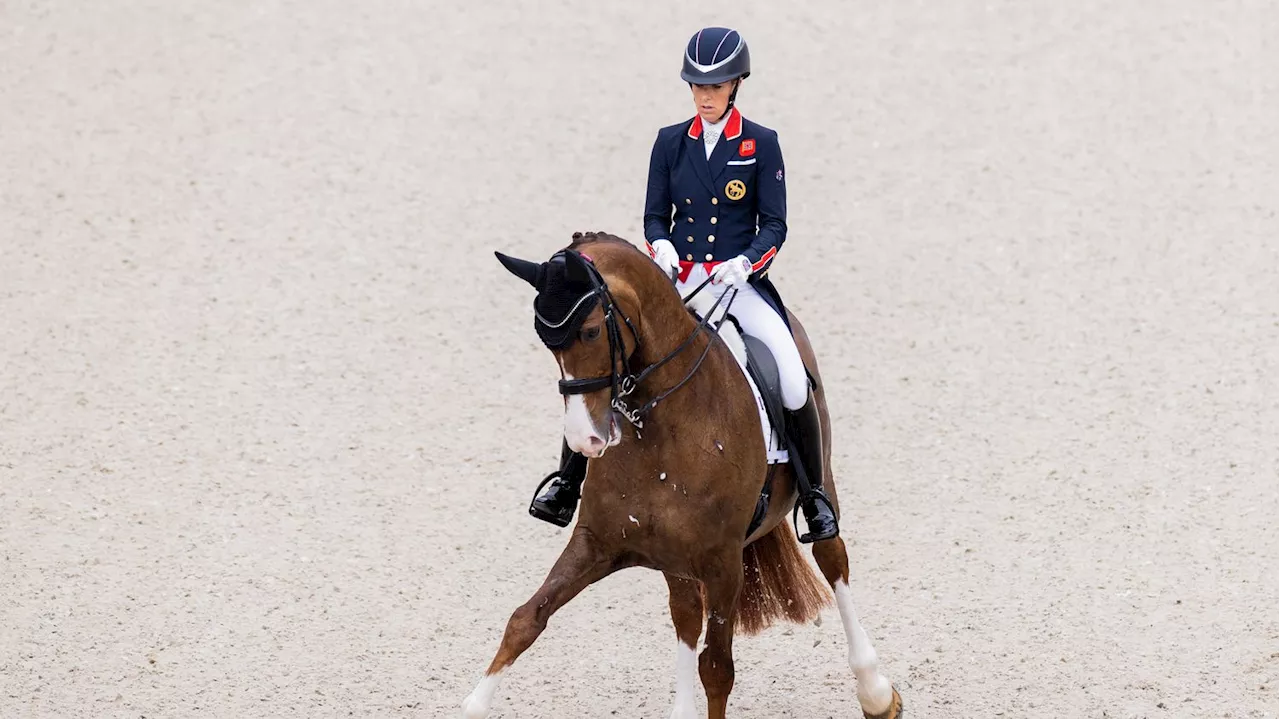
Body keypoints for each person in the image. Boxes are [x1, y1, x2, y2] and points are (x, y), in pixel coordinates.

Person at [528, 27, 839, 543]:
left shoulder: (761, 143)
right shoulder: (671, 142)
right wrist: (662, 247)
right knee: (607, 354)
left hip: (739, 284)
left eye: (714, 87)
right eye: (696, 86)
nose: (704, 96)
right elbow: (655, 215)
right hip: (682, 282)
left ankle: (812, 497)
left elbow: (774, 225)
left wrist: (745, 263)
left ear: (736, 84)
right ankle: (569, 479)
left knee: (788, 371)